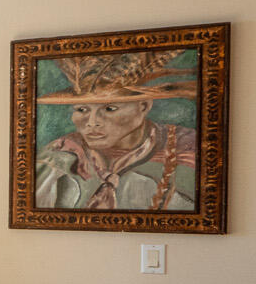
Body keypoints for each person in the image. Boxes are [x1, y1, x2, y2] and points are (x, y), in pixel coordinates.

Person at [34, 50, 197, 211]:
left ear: (144, 106)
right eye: (82, 109)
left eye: (110, 108)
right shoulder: (56, 157)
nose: (92, 123)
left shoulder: (188, 149)